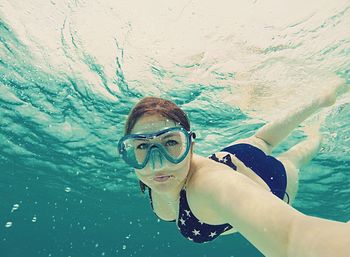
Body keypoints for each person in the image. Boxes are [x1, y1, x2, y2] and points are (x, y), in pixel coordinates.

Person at [117, 79, 350, 257]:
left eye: (170, 143)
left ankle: (316, 136)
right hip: (232, 155)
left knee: (293, 159)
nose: (159, 163)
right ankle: (320, 100)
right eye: (143, 146)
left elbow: (291, 237)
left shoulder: (209, 186)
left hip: (271, 182)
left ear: (191, 146)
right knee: (262, 139)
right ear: (129, 151)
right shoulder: (155, 179)